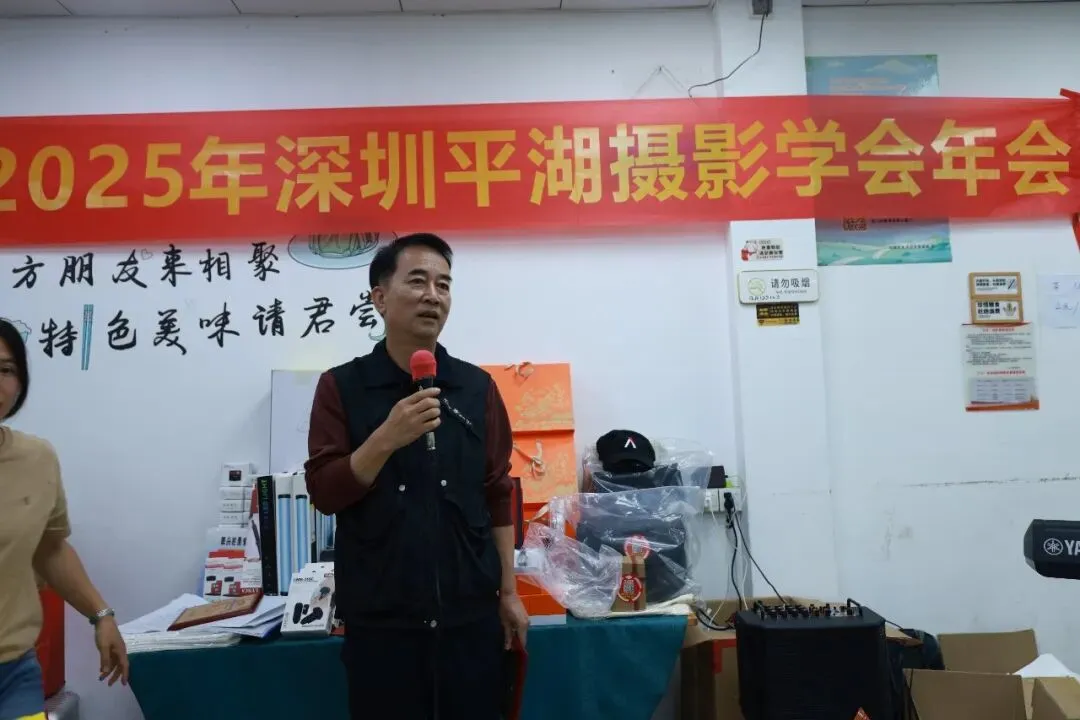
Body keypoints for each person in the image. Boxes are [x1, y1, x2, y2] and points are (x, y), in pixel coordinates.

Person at [305, 233, 529, 720]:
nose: (433, 295)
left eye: (444, 285)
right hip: (383, 627)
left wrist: (509, 593)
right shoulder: (341, 386)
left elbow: (496, 493)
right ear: (379, 297)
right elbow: (324, 492)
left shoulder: (476, 388)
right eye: (418, 281)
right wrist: (385, 438)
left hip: (469, 622)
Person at [0, 319, 129, 720]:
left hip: (13, 672)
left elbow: (49, 546)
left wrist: (101, 615)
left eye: (5, 369)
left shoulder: (36, 458)